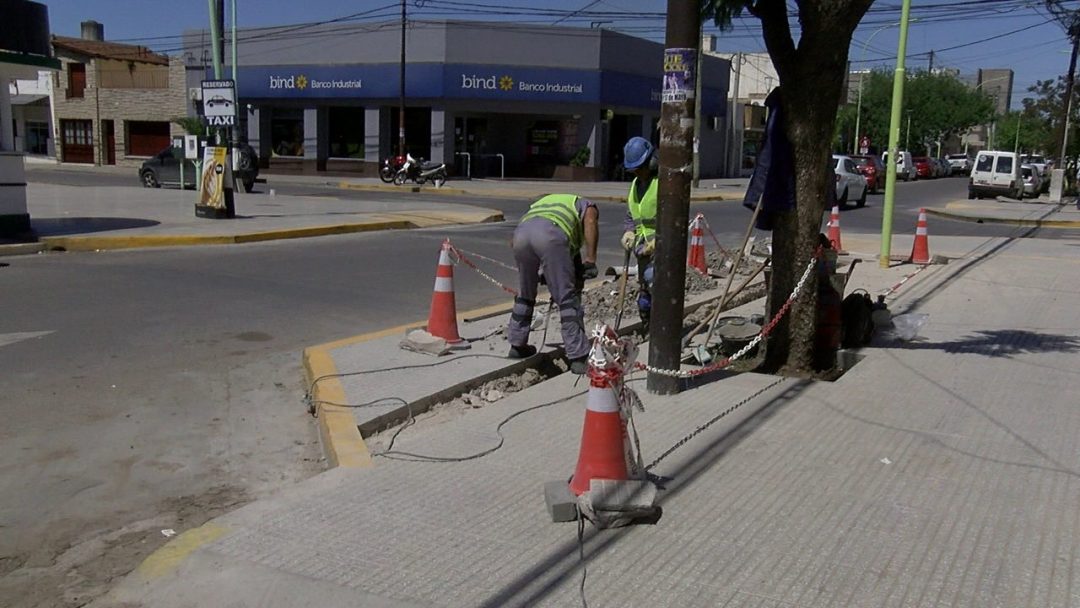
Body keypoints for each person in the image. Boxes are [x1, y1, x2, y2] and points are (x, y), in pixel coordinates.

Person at [507, 194, 599, 374]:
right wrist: (590, 260)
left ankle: (517, 344)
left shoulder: (547, 203)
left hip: (520, 235)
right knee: (567, 299)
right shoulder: (588, 206)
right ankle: (578, 357)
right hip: (551, 235)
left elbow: (537, 241)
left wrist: (544, 271)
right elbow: (590, 221)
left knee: (525, 294)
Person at [620, 136, 658, 331]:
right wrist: (629, 232)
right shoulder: (635, 185)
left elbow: (674, 220)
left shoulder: (662, 184)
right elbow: (631, 213)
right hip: (641, 250)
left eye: (640, 168)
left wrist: (656, 243)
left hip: (660, 250)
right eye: (634, 170)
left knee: (656, 287)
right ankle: (647, 328)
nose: (638, 173)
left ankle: (659, 331)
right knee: (644, 292)